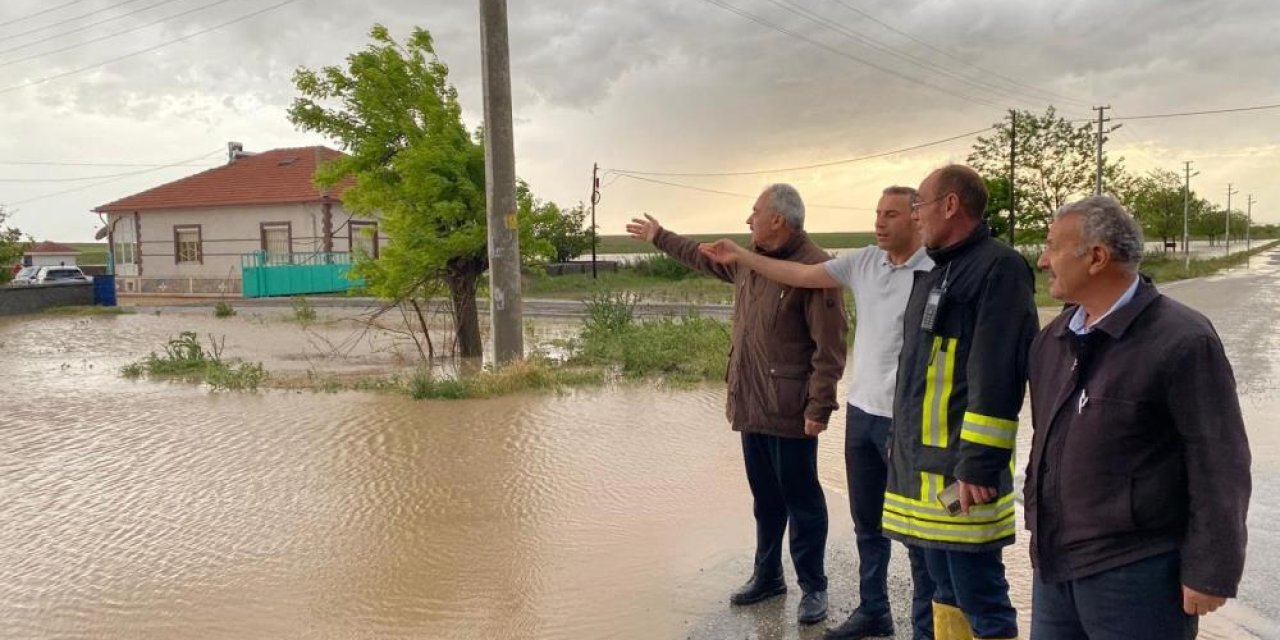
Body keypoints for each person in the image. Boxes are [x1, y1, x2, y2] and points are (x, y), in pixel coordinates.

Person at [700, 186, 937, 640]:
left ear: (917, 218)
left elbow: (829, 346)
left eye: (891, 214)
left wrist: (817, 403)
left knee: (914, 530)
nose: (879, 222)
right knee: (867, 522)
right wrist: (731, 254)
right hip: (858, 411)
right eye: (876, 212)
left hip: (904, 417)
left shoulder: (938, 273)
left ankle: (923, 626)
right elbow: (797, 273)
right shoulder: (866, 262)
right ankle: (873, 611)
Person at [1026, 196, 1251, 639]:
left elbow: (1219, 460)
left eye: (1053, 246)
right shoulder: (1053, 339)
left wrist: (1210, 569)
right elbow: (1045, 439)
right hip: (1056, 565)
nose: (1043, 260)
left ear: (1096, 257)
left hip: (1138, 572)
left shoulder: (1182, 340)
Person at [625, 184, 847, 625]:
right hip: (751, 404)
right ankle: (767, 577)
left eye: (755, 212)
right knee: (765, 499)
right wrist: (660, 237)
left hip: (791, 410)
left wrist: (818, 407)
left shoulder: (816, 268)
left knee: (802, 499)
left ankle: (814, 588)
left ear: (778, 220)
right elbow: (705, 257)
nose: (749, 220)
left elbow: (831, 348)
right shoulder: (748, 261)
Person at [882, 165, 1036, 640]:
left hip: (960, 478)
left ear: (951, 205)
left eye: (919, 206)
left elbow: (995, 377)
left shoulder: (999, 268)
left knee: (978, 594)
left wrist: (978, 465)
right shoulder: (939, 271)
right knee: (939, 590)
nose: (915, 217)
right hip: (921, 473)